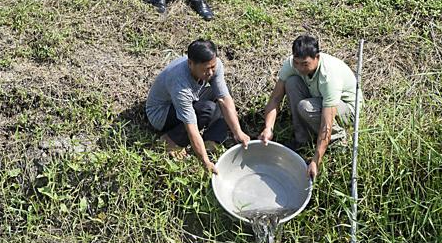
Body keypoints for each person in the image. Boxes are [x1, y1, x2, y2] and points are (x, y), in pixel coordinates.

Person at [258, 35, 358, 180]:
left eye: (304, 64)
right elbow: (275, 98)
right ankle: (302, 139)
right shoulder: (292, 65)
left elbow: (326, 124)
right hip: (318, 97)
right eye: (296, 63)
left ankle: (338, 141)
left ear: (317, 57)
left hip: (346, 108)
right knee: (291, 83)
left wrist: (316, 161)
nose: (299, 68)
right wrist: (268, 128)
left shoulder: (329, 76)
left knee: (306, 107)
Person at [146, 39, 251, 174]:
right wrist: (205, 161)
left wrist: (238, 132)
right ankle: (170, 140)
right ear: (190, 64)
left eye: (213, 67)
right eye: (206, 69)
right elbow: (191, 126)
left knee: (223, 92)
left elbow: (224, 100)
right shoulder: (179, 83)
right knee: (206, 109)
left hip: (190, 97)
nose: (211, 72)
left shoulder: (214, 66)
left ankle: (211, 140)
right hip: (161, 113)